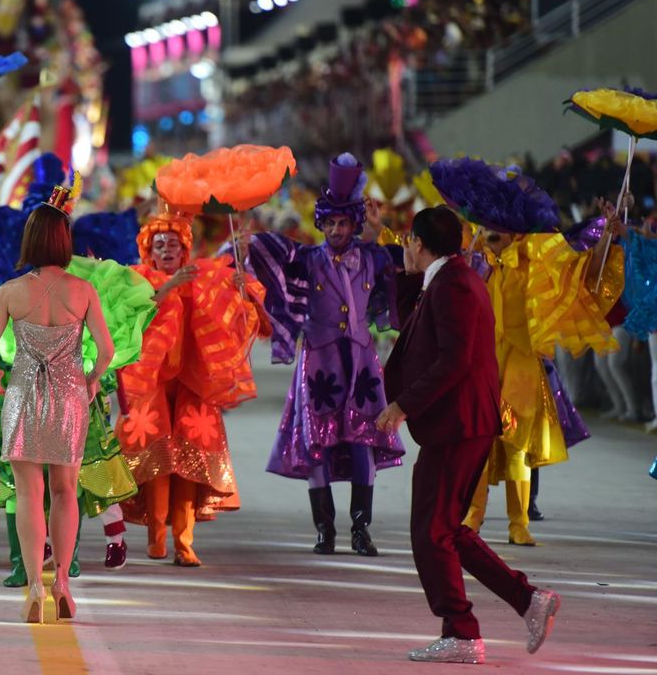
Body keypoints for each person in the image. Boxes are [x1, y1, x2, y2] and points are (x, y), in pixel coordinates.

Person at [378, 206, 559, 665]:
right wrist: (403, 273)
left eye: (408, 242)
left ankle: (461, 631)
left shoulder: (455, 283)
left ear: (419, 242)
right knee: (447, 531)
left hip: (458, 424)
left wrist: (403, 405)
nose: (406, 248)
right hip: (459, 423)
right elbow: (414, 331)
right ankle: (527, 599)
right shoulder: (446, 279)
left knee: (429, 532)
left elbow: (453, 360)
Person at [243, 153, 403, 557]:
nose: (336, 230)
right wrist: (245, 243)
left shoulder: (371, 257)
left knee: (364, 438)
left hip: (363, 363)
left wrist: (381, 231)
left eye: (343, 223)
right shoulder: (307, 260)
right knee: (318, 442)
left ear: (355, 223)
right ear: (321, 224)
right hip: (319, 363)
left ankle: (361, 530)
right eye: (329, 223)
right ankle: (324, 530)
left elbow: (405, 269)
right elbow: (266, 252)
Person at [0, 184, 114, 624]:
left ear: (31, 241)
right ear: (65, 240)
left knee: (29, 494)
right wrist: (91, 379)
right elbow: (107, 350)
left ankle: (34, 584)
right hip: (69, 397)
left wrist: (1, 376)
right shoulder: (83, 291)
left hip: (22, 396)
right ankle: (64, 586)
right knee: (64, 492)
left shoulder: (10, 292)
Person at [463, 201, 623, 545]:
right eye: (490, 223)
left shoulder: (534, 260)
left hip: (521, 365)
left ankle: (518, 523)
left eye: (502, 225)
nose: (495, 231)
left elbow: (579, 272)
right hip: (483, 365)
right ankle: (472, 517)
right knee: (478, 443)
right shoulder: (475, 262)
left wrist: (604, 238)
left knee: (517, 445)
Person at [118, 210, 270, 567]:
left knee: (188, 464)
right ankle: (156, 539)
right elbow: (130, 315)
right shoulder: (137, 279)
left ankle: (184, 543)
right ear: (149, 251)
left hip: (193, 384)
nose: (167, 250)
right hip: (152, 384)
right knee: (158, 464)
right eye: (160, 245)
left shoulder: (201, 276)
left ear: (184, 249)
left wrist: (238, 291)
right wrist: (170, 286)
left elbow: (236, 299)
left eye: (173, 244)